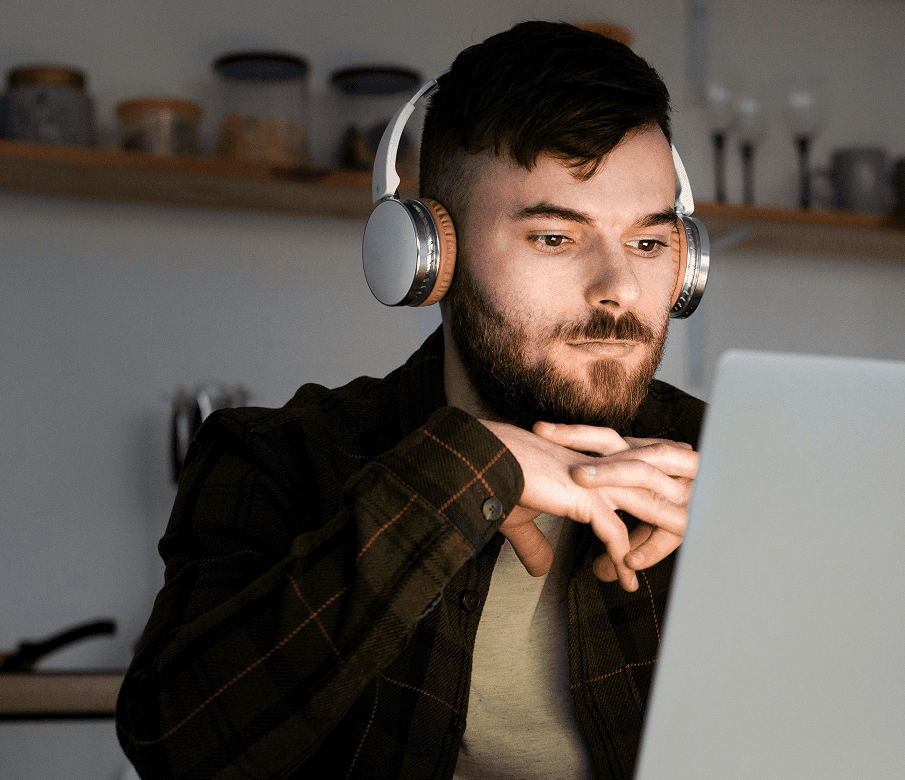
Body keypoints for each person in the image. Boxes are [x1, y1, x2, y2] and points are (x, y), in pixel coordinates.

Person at [116, 21, 705, 780]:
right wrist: (454, 480)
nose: (619, 290)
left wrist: (771, 582)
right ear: (429, 258)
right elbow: (175, 745)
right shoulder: (278, 457)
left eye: (650, 245)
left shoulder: (724, 464)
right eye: (555, 239)